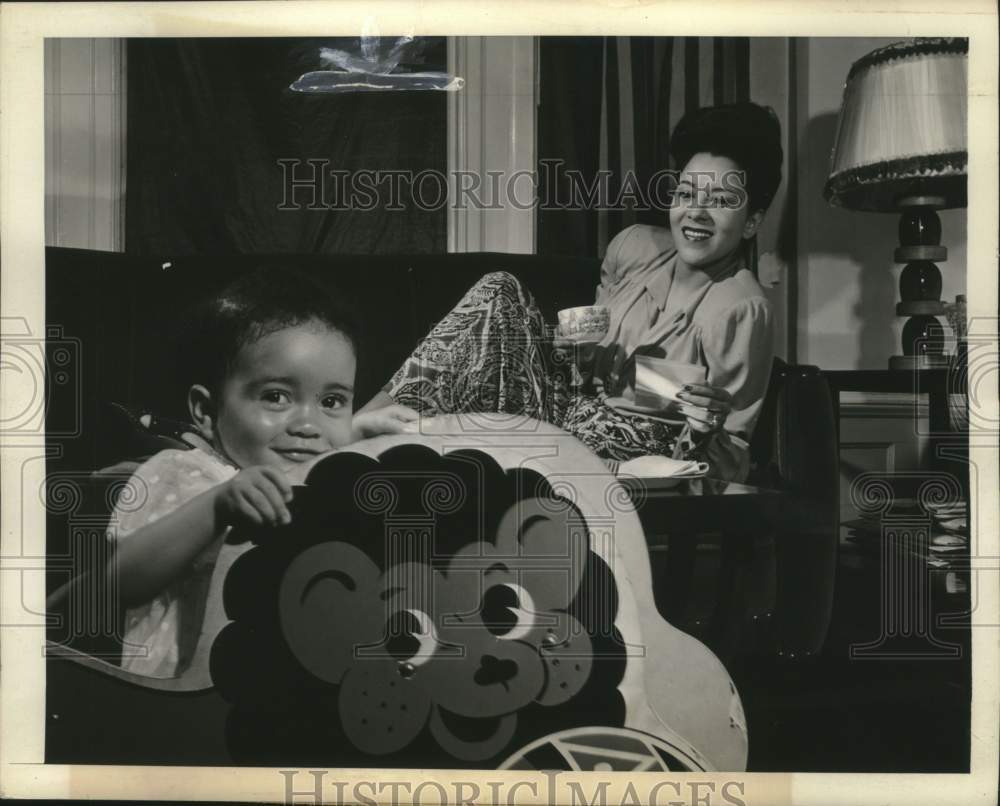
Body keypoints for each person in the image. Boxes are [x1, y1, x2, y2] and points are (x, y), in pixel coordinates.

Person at [361, 102, 781, 482]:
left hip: (632, 451)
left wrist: (705, 427)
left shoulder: (742, 307)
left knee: (459, 436)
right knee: (499, 289)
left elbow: (733, 458)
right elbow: (580, 369)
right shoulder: (634, 248)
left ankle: (410, 447)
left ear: (750, 222)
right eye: (687, 193)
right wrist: (566, 351)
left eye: (722, 201)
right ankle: (367, 428)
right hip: (563, 414)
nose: (696, 213)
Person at [106, 268, 416, 677]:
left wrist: (357, 434)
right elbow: (118, 582)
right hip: (179, 703)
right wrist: (218, 505)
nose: (308, 425)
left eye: (332, 401)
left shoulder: (316, 476)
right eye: (275, 397)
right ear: (205, 411)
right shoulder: (184, 473)